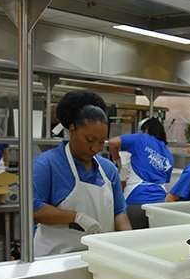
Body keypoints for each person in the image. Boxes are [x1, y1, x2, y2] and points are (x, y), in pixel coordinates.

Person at [33, 90, 130, 256]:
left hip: (98, 257)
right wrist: (75, 217)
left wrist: (130, 242)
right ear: (72, 130)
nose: (95, 148)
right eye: (89, 140)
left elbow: (119, 213)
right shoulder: (47, 164)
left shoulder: (108, 170)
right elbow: (35, 210)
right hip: (56, 259)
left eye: (101, 142)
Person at [108, 117, 174, 228]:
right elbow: (164, 181)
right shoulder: (169, 155)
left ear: (146, 129)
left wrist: (117, 160)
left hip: (135, 201)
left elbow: (112, 142)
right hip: (160, 205)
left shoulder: (141, 138)